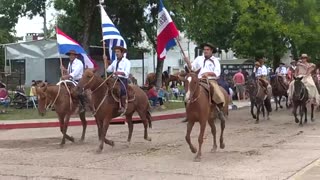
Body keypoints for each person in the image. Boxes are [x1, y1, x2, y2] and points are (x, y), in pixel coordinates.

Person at [185, 42, 226, 121]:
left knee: (217, 92)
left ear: (211, 51)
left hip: (210, 80)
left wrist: (208, 73)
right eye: (204, 50)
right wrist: (188, 62)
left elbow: (217, 72)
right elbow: (193, 68)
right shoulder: (199, 58)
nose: (205, 51)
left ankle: (219, 109)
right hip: (198, 80)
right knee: (189, 91)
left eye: (207, 50)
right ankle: (188, 113)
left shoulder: (215, 61)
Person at [105, 46, 131, 113]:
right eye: (116, 52)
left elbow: (127, 73)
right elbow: (108, 70)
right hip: (114, 79)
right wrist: (105, 61)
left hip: (122, 79)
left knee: (121, 90)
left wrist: (118, 72)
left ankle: (123, 106)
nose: (116, 53)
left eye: (118, 52)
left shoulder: (126, 62)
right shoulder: (114, 61)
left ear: (122, 53)